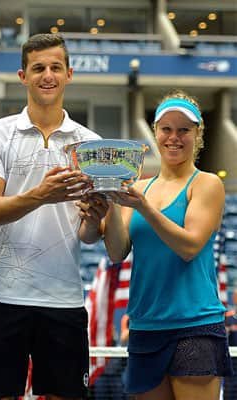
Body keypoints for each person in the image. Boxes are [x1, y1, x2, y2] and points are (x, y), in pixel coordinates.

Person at [0, 33, 107, 400]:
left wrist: (94, 220)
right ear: (22, 75)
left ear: (69, 74)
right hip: (0, 294)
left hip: (63, 299)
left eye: (55, 67)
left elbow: (89, 235)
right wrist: (40, 195)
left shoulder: (90, 143)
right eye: (38, 68)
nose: (47, 75)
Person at [103, 90, 232, 400]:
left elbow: (189, 247)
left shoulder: (207, 184)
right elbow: (117, 251)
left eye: (184, 130)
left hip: (195, 326)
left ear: (197, 135)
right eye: (166, 129)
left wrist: (145, 208)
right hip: (145, 326)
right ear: (155, 132)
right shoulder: (137, 187)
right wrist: (108, 198)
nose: (174, 137)